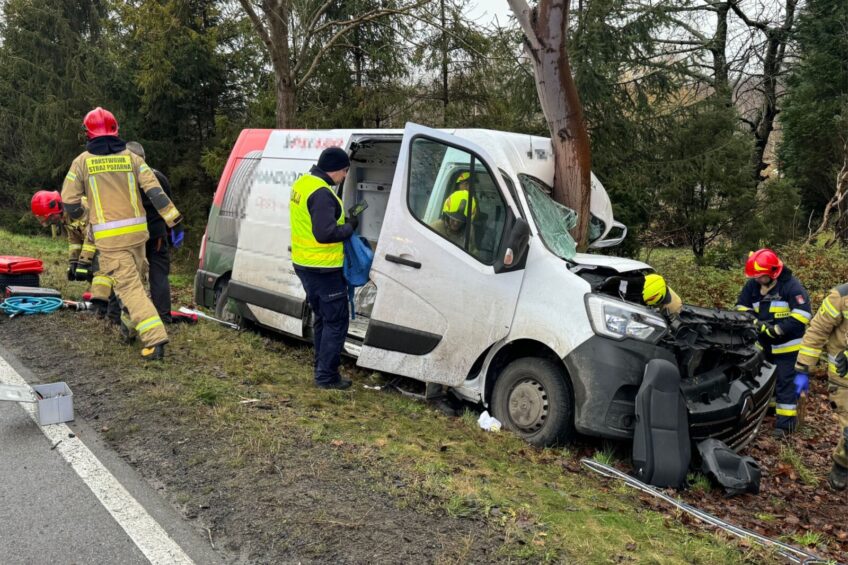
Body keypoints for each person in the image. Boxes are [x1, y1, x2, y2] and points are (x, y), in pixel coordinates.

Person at [61, 107, 183, 361]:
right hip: (140, 235)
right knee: (135, 283)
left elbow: (70, 204)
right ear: (116, 130)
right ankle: (127, 327)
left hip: (110, 240)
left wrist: (88, 216)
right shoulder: (133, 158)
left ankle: (155, 339)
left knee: (129, 289)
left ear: (88, 133)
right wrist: (174, 221)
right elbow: (156, 192)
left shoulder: (81, 162)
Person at [289, 146, 357, 389]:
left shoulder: (303, 183)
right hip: (323, 268)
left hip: (305, 264)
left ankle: (321, 367)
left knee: (323, 319)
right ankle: (327, 377)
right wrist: (350, 226)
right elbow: (325, 233)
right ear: (338, 170)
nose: (345, 177)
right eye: (345, 172)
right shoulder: (321, 193)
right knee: (336, 321)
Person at [735, 248, 811, 437]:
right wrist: (755, 322)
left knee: (786, 383)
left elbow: (803, 314)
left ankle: (785, 425)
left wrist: (778, 330)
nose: (758, 280)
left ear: (773, 272)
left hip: (788, 348)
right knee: (763, 380)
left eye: (761, 276)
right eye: (756, 276)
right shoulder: (753, 286)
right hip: (763, 347)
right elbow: (741, 307)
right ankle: (768, 410)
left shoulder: (792, 287)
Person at [793, 283, 848, 490]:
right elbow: (816, 334)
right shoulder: (841, 298)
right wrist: (802, 369)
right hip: (844, 382)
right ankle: (842, 465)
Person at [30, 191, 113, 305]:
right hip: (97, 238)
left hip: (110, 237)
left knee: (97, 266)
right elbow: (74, 238)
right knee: (85, 268)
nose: (51, 222)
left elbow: (92, 236)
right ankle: (103, 296)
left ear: (56, 207)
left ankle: (103, 302)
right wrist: (74, 261)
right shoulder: (64, 215)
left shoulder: (79, 208)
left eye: (50, 218)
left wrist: (83, 262)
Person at [430, 174, 478, 249]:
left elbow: (472, 250)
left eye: (460, 221)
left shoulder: (469, 230)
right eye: (466, 184)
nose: (456, 223)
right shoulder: (435, 229)